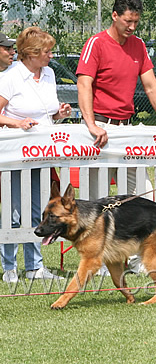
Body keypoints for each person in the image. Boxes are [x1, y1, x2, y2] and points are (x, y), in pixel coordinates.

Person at [76, 0, 156, 276]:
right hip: (99, 127)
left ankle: (136, 260)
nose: (132, 27)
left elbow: (151, 85)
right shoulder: (96, 43)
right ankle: (96, 263)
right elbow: (84, 84)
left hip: (127, 127)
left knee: (140, 194)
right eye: (128, 21)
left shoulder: (138, 46)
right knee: (97, 201)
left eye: (136, 22)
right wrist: (91, 124)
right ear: (115, 16)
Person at [0, 27, 71, 283]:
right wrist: (16, 123)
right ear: (31, 54)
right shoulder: (10, 76)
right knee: (13, 210)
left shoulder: (49, 74)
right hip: (15, 154)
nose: (51, 55)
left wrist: (58, 114)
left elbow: (45, 112)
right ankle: (9, 267)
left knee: (37, 210)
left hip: (44, 153)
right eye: (47, 51)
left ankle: (34, 267)